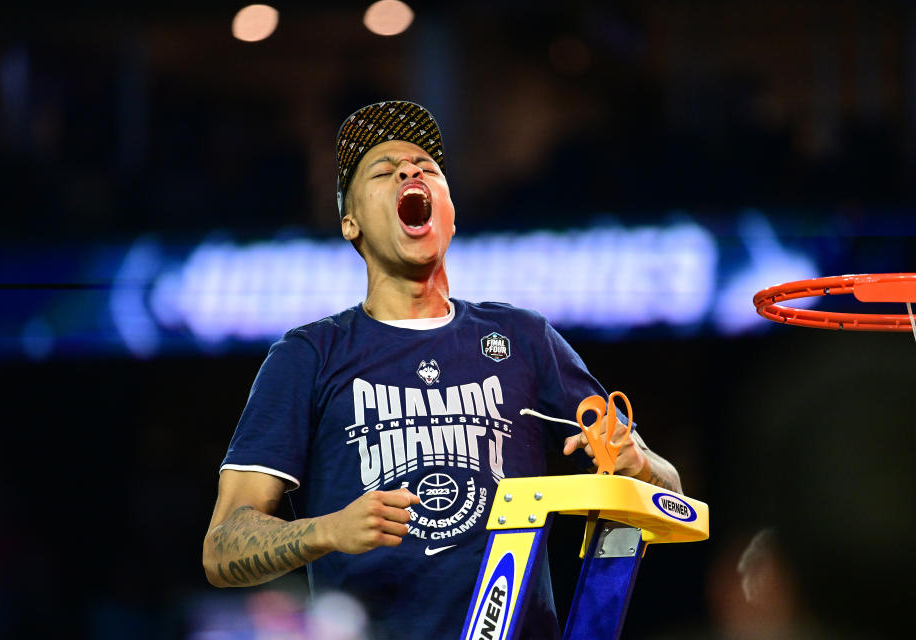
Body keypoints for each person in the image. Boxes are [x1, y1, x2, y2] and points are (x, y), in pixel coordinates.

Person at [202, 100, 682, 640]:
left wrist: (637, 462)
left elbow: (671, 491)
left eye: (427, 168)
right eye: (383, 171)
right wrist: (327, 530)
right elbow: (222, 546)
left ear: (450, 213)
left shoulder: (525, 338)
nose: (410, 171)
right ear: (350, 222)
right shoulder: (309, 355)